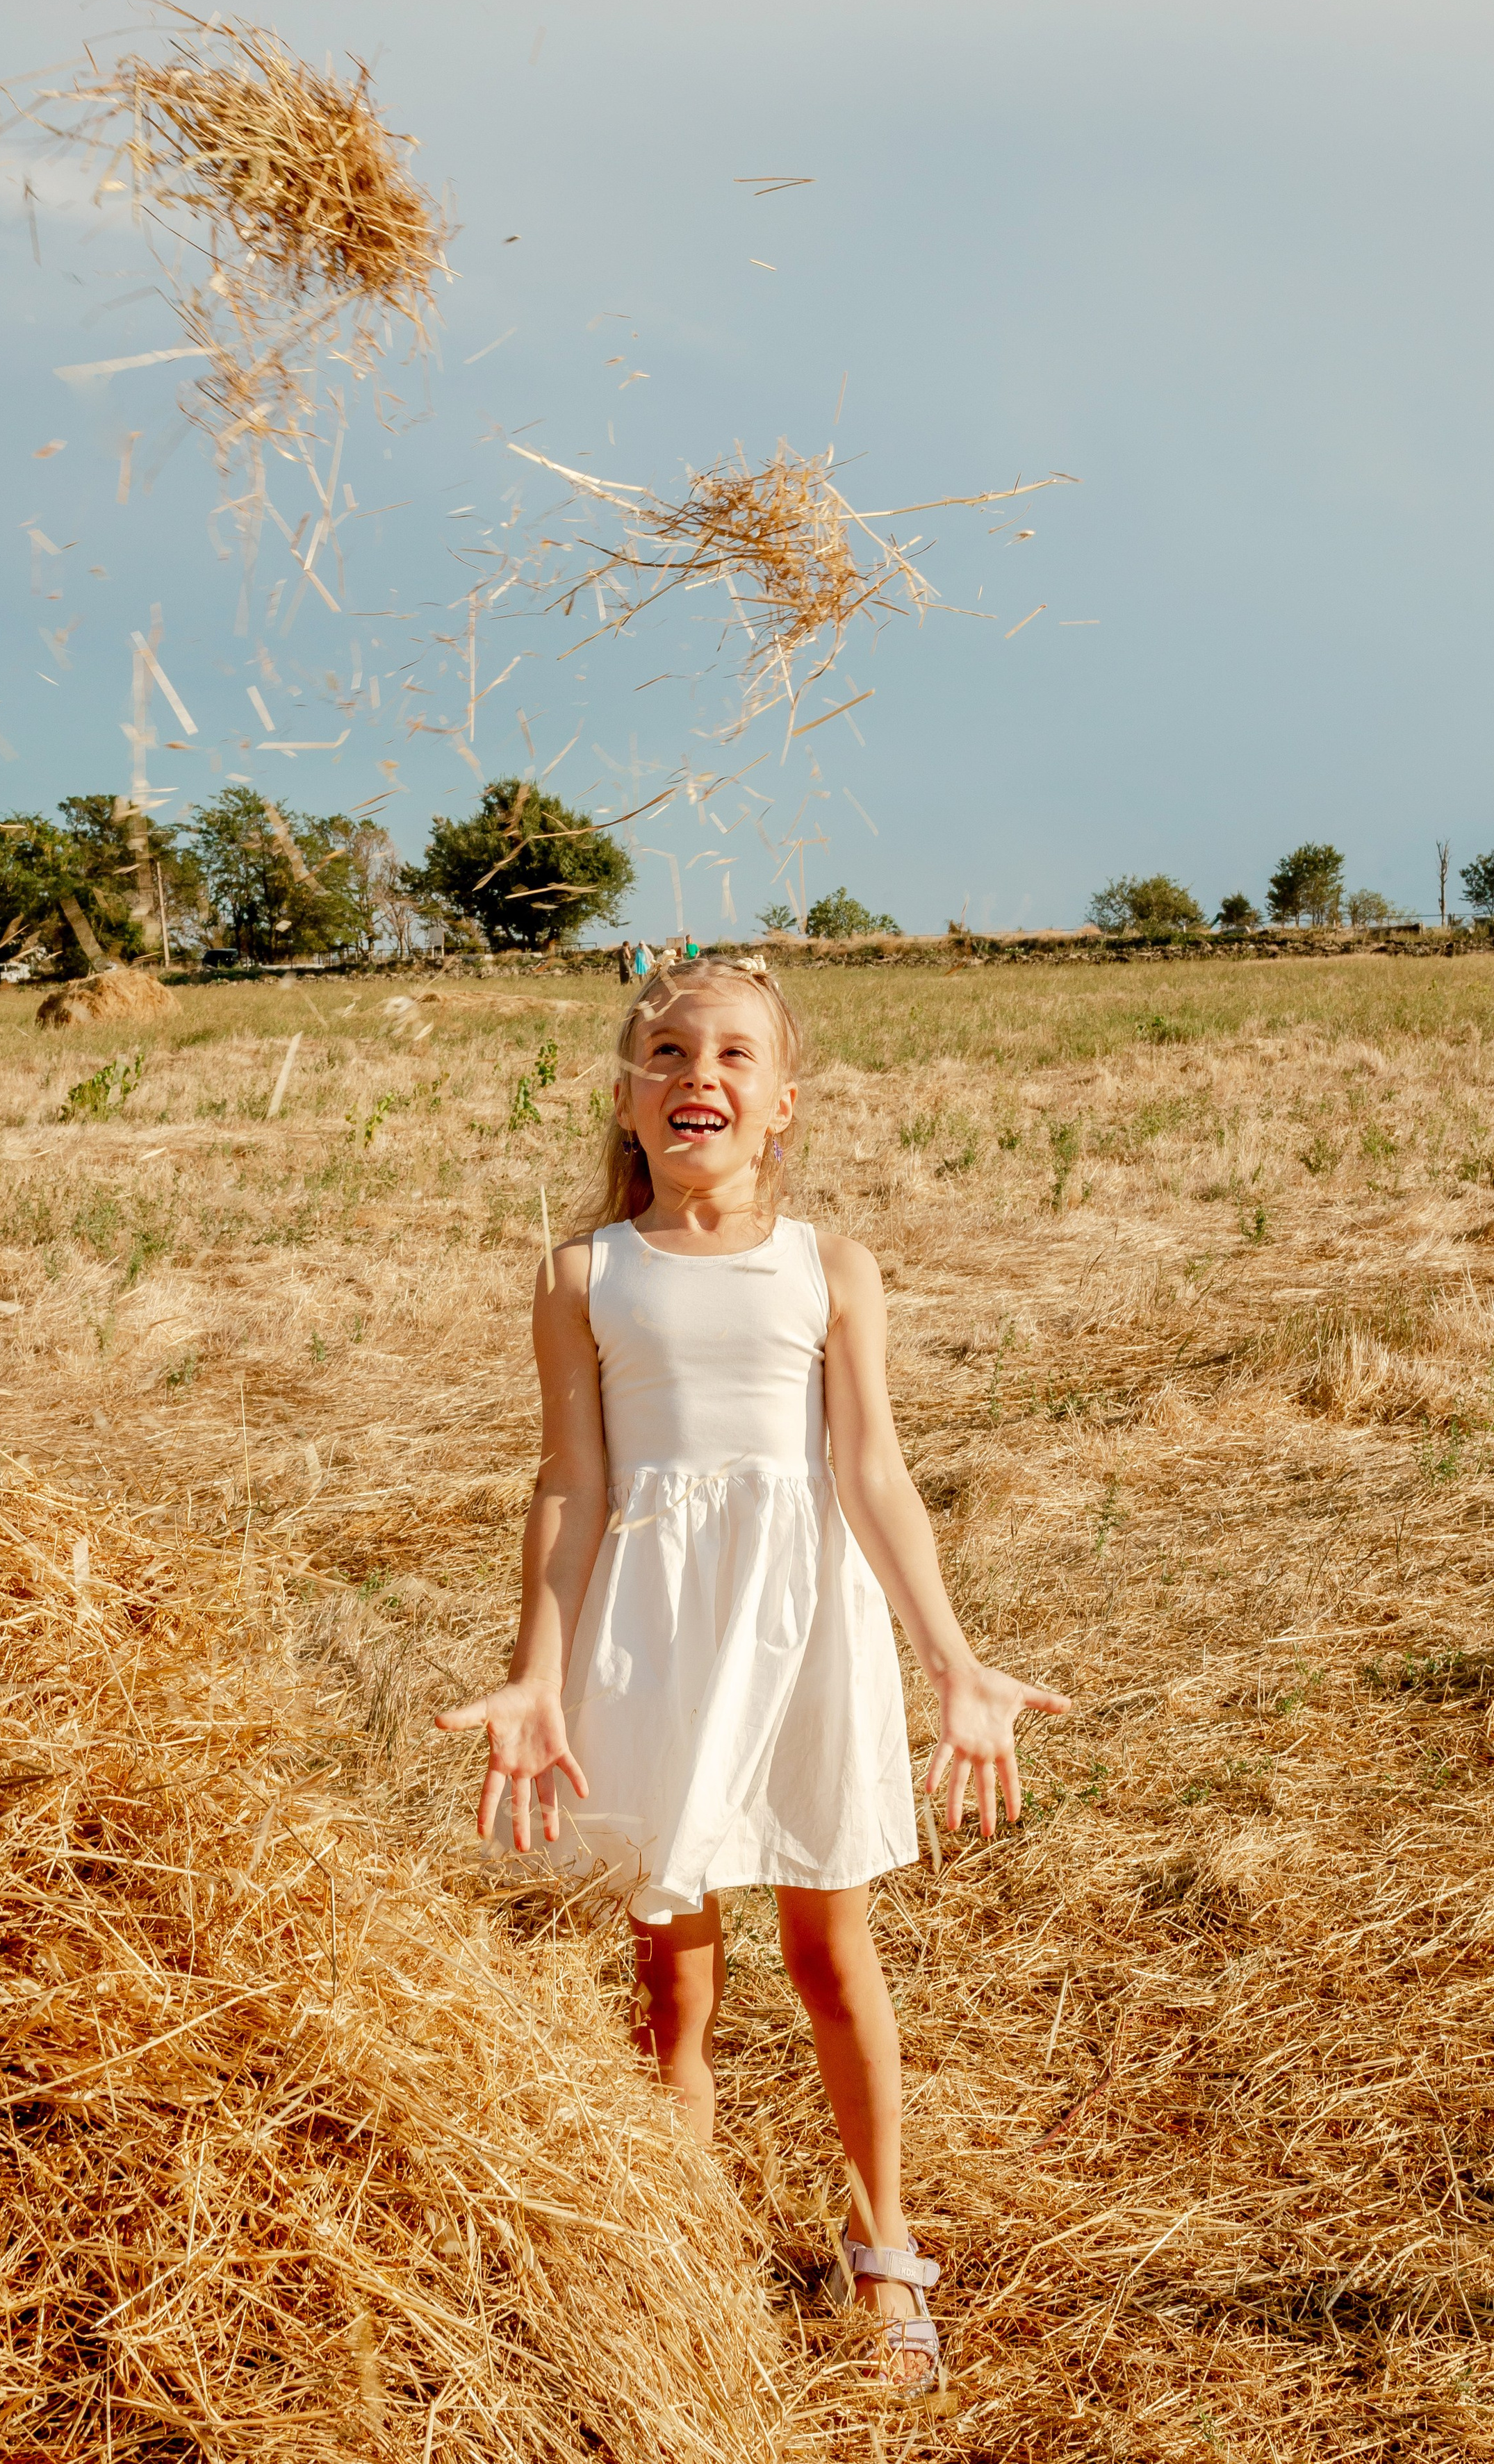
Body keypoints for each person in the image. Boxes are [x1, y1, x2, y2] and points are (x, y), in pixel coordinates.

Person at [437, 954, 1070, 2395]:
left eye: (731, 1056)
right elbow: (570, 1482)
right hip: (655, 1636)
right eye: (665, 1053)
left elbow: (873, 1473)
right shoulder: (583, 1275)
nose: (696, 1077)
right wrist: (537, 1671)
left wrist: (953, 1660)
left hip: (801, 1630)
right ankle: (680, 2254)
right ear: (626, 1098)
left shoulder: (829, 1268)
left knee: (827, 1947)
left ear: (782, 1103)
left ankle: (882, 2239)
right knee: (671, 1971)